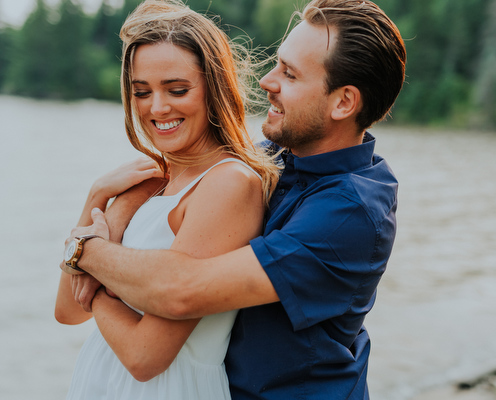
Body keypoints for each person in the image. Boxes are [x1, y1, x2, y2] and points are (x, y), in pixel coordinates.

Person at [64, 0, 406, 398]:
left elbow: (182, 291)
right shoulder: (274, 156)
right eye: (278, 63)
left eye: (290, 75)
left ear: (343, 102)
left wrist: (83, 250)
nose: (267, 81)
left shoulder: (351, 214)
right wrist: (111, 201)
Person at [55, 1, 279, 399]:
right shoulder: (149, 180)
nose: (157, 108)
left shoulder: (229, 184)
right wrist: (98, 194)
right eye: (142, 92)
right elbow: (67, 312)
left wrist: (94, 269)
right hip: (101, 380)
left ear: (216, 86)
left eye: (177, 89)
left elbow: (146, 356)